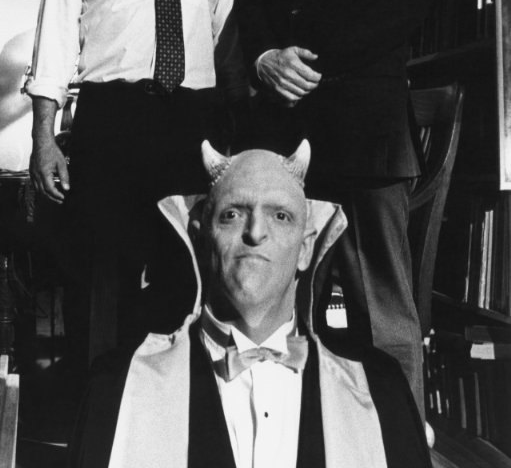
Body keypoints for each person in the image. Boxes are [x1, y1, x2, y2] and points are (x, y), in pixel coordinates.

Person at [237, 0, 439, 421]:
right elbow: (252, 16)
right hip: (284, 145)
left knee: (383, 305)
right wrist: (267, 60)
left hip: (366, 137)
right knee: (280, 300)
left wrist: (309, 63)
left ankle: (400, 438)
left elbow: (408, 3)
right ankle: (298, 435)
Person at [24, 0, 246, 371]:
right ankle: (96, 403)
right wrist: (44, 138)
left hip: (192, 123)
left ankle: (170, 400)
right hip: (112, 119)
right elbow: (55, 42)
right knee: (101, 274)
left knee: (186, 271)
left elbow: (223, 42)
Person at [68, 139, 432, 468]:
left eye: (280, 216)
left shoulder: (379, 391)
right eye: (232, 214)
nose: (255, 232)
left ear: (305, 247)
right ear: (201, 240)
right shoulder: (119, 387)